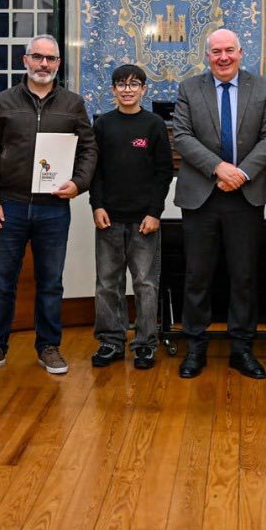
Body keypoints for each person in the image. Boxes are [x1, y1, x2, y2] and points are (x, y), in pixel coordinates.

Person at [0, 35, 97, 376]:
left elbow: (88, 149)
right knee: (1, 282)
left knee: (51, 282)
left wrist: (79, 183)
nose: (44, 64)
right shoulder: (3, 101)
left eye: (51, 59)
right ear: (26, 60)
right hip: (9, 206)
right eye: (38, 57)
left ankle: (49, 347)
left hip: (53, 209)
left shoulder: (73, 104)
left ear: (58, 64)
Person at [171, 28, 266, 380]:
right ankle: (196, 348)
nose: (223, 57)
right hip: (201, 196)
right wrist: (218, 168)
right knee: (197, 276)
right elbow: (182, 136)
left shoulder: (261, 87)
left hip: (246, 196)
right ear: (207, 55)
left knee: (244, 275)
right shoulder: (190, 88)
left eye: (229, 50)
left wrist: (241, 174)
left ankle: (242, 349)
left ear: (240, 52)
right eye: (216, 51)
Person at [89, 64, 174, 370]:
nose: (127, 89)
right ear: (112, 90)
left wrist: (155, 212)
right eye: (121, 84)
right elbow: (94, 171)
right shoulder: (102, 125)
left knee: (145, 284)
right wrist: (96, 205)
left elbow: (164, 172)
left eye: (133, 84)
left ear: (144, 89)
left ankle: (145, 344)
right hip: (108, 219)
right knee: (107, 284)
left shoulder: (153, 125)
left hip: (144, 222)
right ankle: (111, 341)